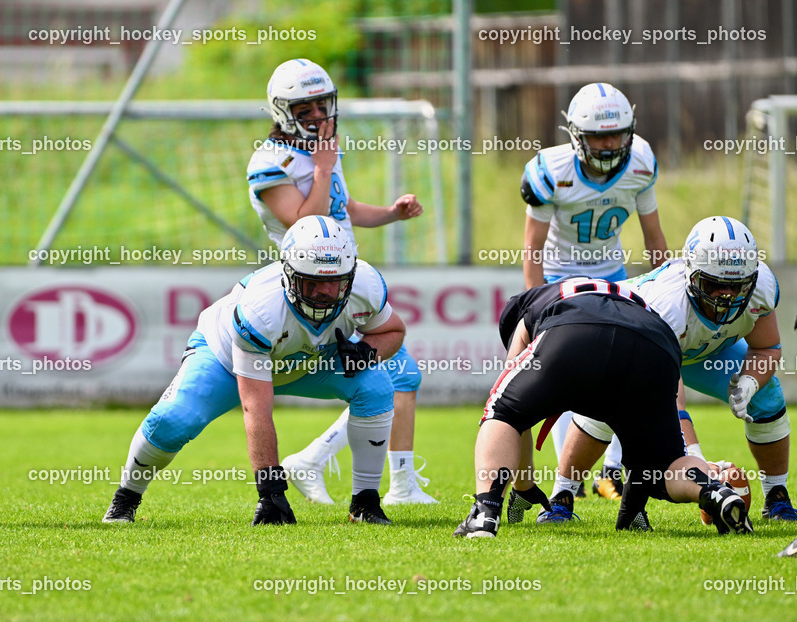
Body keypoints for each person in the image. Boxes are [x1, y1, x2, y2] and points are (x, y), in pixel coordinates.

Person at [102, 216, 404, 526]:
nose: (325, 293)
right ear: (289, 274)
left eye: (335, 281)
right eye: (312, 283)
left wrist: (367, 352)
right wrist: (270, 492)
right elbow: (255, 406)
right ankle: (126, 496)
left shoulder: (365, 284)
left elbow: (393, 331)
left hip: (311, 360)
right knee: (174, 420)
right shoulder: (261, 310)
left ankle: (365, 503)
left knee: (376, 385)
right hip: (226, 360)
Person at [246, 57, 433, 506]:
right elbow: (300, 222)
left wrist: (390, 213)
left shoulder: (324, 150)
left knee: (400, 374)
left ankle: (330, 463)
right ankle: (395, 483)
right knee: (399, 374)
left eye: (322, 105)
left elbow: (342, 209)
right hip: (312, 289)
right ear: (282, 110)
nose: (317, 116)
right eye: (304, 108)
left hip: (344, 279)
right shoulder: (269, 162)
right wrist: (325, 166)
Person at [454, 276, 753, 539]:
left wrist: (523, 487)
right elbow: (641, 455)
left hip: (577, 332)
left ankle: (484, 513)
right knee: (667, 462)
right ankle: (713, 491)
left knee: (501, 411)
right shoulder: (612, 296)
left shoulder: (527, 310)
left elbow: (514, 419)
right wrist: (632, 512)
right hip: (656, 347)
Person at [552, 216, 797, 525]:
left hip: (703, 349)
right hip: (634, 342)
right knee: (605, 408)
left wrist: (749, 382)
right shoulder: (666, 306)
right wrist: (697, 463)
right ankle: (561, 496)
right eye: (715, 285)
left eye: (736, 287)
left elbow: (766, 348)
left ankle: (777, 497)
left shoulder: (762, 286)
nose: (726, 298)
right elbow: (672, 400)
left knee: (768, 395)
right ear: (691, 275)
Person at [520, 82, 669, 506]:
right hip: (559, 275)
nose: (608, 144)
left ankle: (611, 470)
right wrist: (535, 308)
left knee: (625, 372)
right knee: (565, 373)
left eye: (616, 134)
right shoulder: (552, 170)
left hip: (614, 274)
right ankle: (572, 479)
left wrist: (662, 291)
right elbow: (531, 247)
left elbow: (654, 236)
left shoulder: (641, 161)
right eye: (598, 135)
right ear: (575, 135)